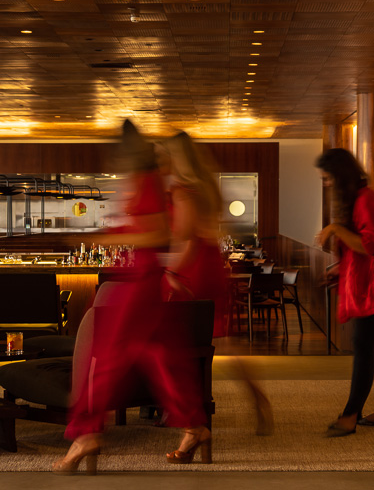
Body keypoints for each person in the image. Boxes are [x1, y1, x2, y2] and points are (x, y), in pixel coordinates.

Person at [52, 120, 211, 474]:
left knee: (105, 356)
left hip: (140, 282)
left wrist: (104, 238)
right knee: (159, 355)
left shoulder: (147, 181)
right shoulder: (143, 180)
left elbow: (158, 233)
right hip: (140, 280)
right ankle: (194, 425)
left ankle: (86, 433)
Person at [157, 131, 274, 437]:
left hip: (193, 267)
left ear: (175, 158)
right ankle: (257, 398)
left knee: (174, 337)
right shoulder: (204, 186)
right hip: (211, 264)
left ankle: (181, 407)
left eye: (163, 156)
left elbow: (186, 238)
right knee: (223, 342)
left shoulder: (182, 190)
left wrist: (171, 273)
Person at [315, 148, 374, 437]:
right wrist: (341, 269)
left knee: (363, 348)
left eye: (328, 178)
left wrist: (335, 229)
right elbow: (362, 249)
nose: (326, 184)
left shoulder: (366, 201)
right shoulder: (362, 199)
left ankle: (349, 416)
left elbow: (369, 246)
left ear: (340, 176)